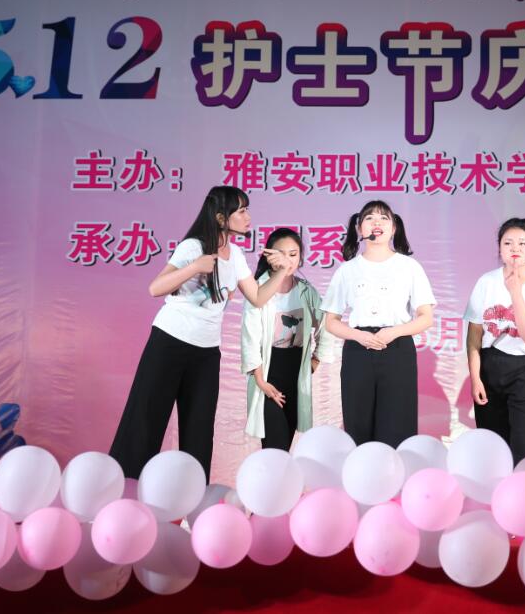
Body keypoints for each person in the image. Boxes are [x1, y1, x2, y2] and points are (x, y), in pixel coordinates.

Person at [109, 186, 289, 481]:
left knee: (199, 427)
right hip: (169, 342)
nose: (248, 216)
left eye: (247, 209)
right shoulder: (193, 247)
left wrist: (281, 271)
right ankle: (124, 487)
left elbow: (257, 297)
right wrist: (194, 267)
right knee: (145, 418)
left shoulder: (236, 254)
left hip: (206, 351)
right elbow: (155, 288)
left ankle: (193, 494)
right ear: (220, 217)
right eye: (241, 210)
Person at [322, 200, 435, 447]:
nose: (377, 222)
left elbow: (426, 317)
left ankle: (396, 472)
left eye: (384, 218)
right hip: (358, 351)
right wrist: (358, 336)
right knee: (358, 424)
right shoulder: (347, 270)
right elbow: (331, 321)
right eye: (369, 218)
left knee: (398, 425)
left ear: (393, 228)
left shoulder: (409, 267)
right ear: (359, 228)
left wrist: (394, 332)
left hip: (397, 349)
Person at [464, 218, 525, 464]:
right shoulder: (486, 282)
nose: (515, 248)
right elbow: (474, 334)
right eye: (508, 243)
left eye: (522, 243)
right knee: (492, 447)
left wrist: (515, 291)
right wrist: (475, 378)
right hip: (491, 366)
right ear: (500, 249)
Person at [241, 228, 334, 451]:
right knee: (274, 445)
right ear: (268, 256)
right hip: (267, 376)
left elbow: (327, 324)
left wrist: (316, 359)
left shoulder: (306, 291)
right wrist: (261, 381)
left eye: (293, 254)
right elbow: (250, 339)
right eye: (281, 254)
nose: (287, 260)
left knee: (284, 448)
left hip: (295, 375)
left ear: (300, 257)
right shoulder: (258, 290)